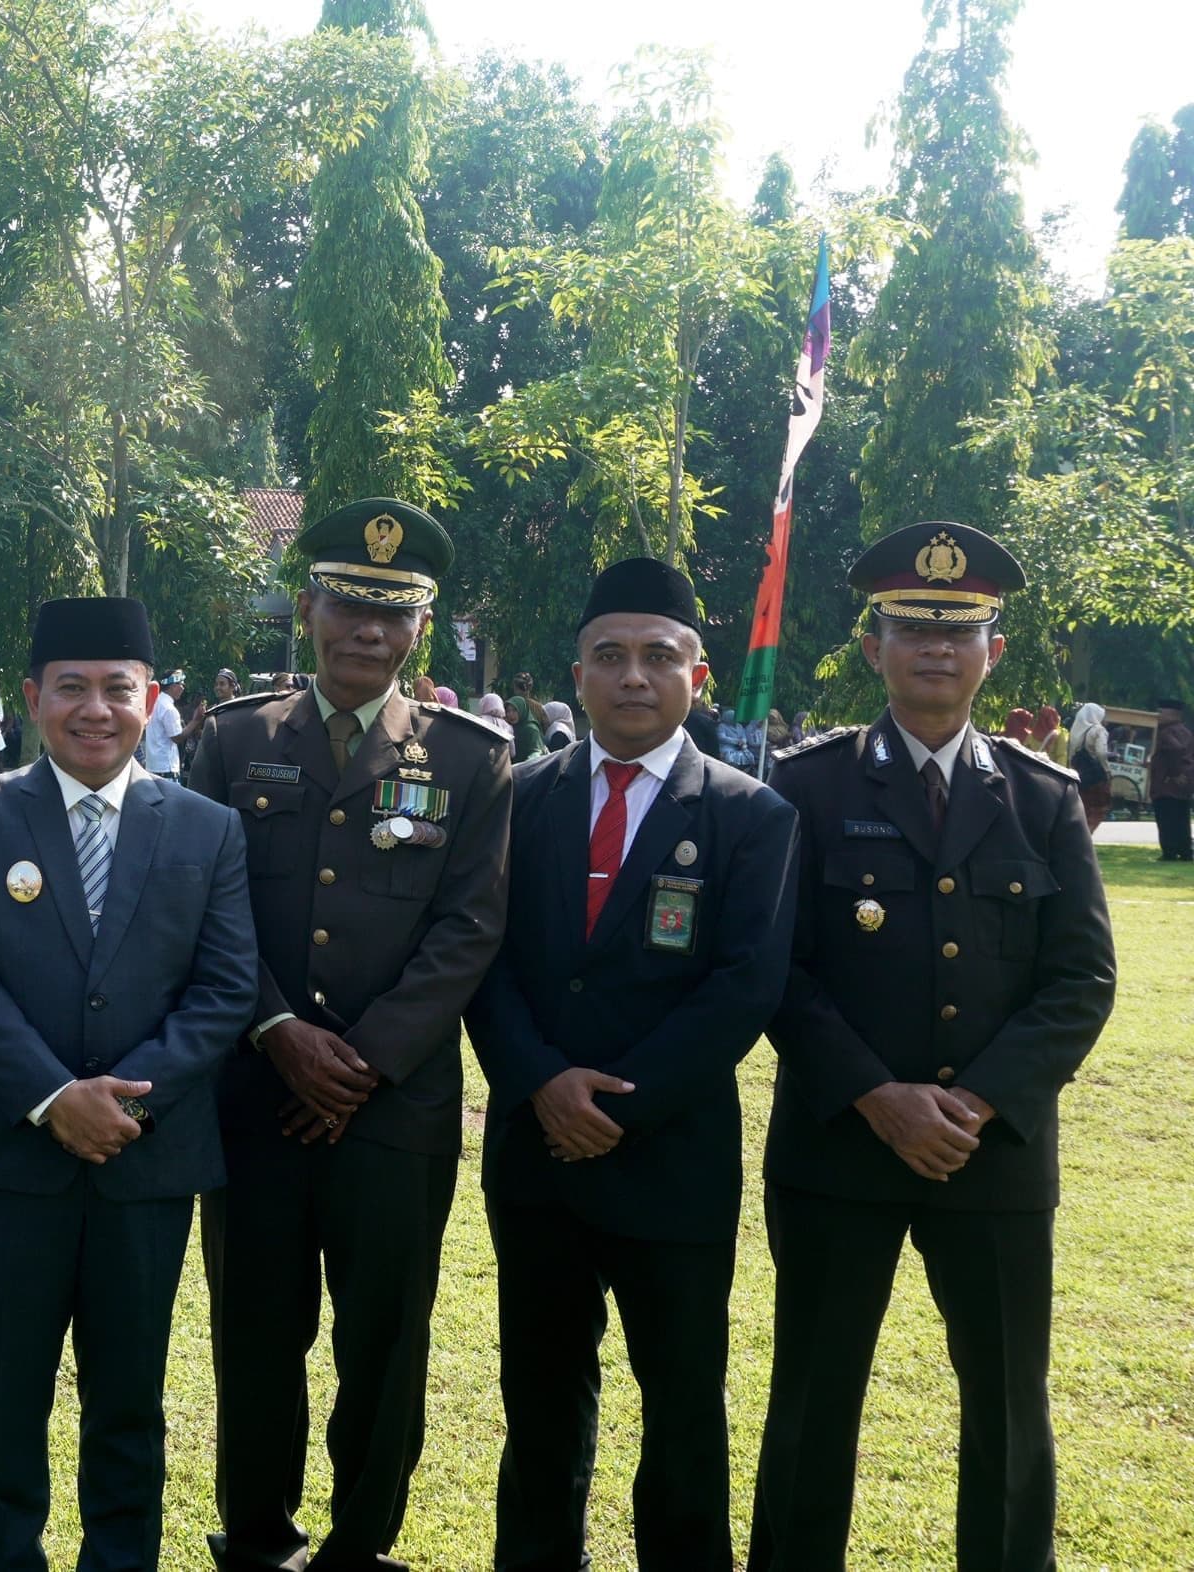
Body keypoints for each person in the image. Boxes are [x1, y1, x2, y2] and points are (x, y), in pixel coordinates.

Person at [748, 521, 1116, 1572]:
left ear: (992, 652)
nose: (935, 650)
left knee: (1006, 1409)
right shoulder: (805, 786)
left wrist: (978, 1104)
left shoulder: (1042, 799)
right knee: (812, 1401)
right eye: (912, 628)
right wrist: (877, 1098)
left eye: (960, 632)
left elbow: (1079, 978)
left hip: (991, 1159)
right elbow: (776, 968)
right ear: (874, 645)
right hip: (837, 1153)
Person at [186, 498, 514, 1572]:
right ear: (307, 605)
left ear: (420, 626)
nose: (366, 632)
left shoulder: (471, 759)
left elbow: (470, 925)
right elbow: (204, 906)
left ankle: (360, 1543)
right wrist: (277, 1029)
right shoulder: (233, 739)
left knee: (385, 1338)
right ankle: (255, 1533)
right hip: (255, 1098)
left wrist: (363, 1060)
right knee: (255, 1333)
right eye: (347, 606)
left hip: (393, 1109)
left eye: (392, 613)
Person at [465, 558, 799, 1572]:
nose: (633, 678)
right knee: (539, 1404)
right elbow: (480, 960)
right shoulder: (516, 799)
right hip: (537, 1164)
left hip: (670, 1163)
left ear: (697, 678)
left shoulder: (750, 816)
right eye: (609, 657)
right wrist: (539, 1083)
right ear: (576, 676)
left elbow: (744, 988)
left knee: (684, 1407)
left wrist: (615, 1104)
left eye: (659, 657)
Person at [0, 597, 256, 1571]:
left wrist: (121, 1099)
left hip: (144, 1166)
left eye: (118, 688)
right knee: (6, 1398)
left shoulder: (207, 829)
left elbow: (225, 987)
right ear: (31, 698)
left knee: (129, 1404)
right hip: (11, 1162)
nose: (95, 709)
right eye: (71, 687)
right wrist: (54, 1098)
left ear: (152, 698)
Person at [1153, 697, 1193, 862]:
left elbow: (1175, 750)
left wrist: (1175, 773)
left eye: (1161, 712)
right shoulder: (1186, 731)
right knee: (1182, 819)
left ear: (1172, 714)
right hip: (1184, 783)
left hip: (1167, 783)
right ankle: (1185, 851)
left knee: (1166, 818)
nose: (1158, 715)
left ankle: (1169, 851)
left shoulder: (1166, 732)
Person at [1069, 701, 1113, 831]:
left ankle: (1079, 833)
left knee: (1081, 806)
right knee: (1098, 807)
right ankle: (1087, 833)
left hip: (1079, 773)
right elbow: (1101, 752)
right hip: (1095, 776)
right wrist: (1107, 770)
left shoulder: (1075, 731)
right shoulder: (1099, 730)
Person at [139, 668, 187, 779]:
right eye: (181, 684)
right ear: (172, 686)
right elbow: (177, 738)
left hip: (152, 768)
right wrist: (196, 721)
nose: (183, 688)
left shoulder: (155, 703)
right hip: (166, 769)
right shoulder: (169, 708)